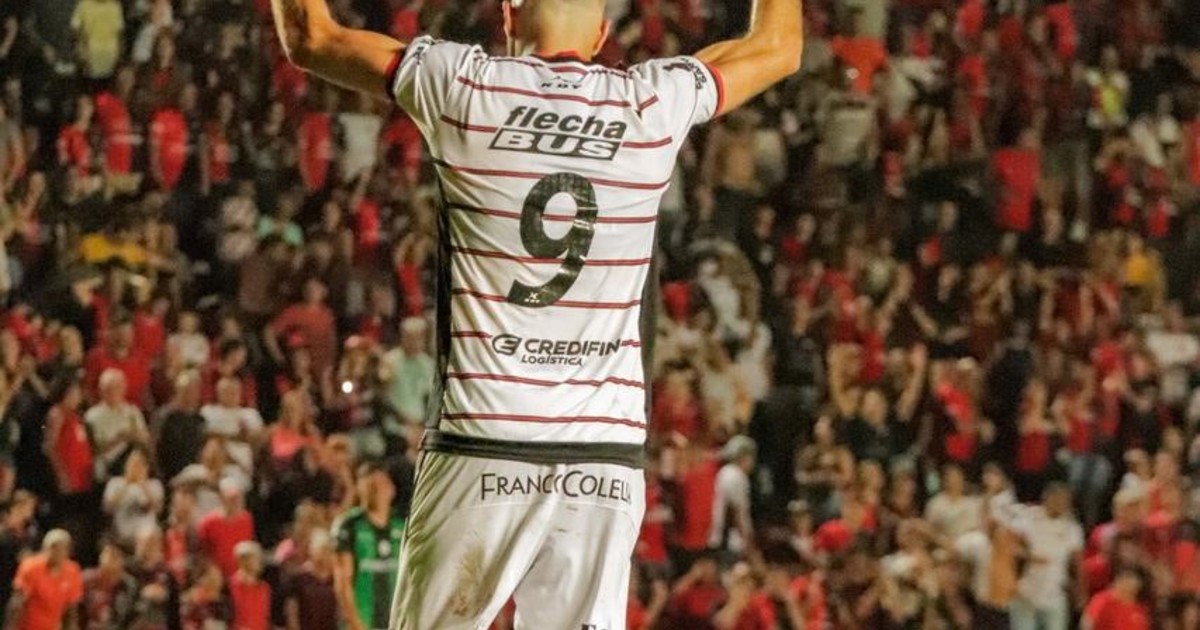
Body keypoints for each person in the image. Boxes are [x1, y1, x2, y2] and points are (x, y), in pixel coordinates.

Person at [271, 0, 803, 624]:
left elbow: (310, 36)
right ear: (602, 34)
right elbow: (778, 47)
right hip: (602, 457)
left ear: (508, 17)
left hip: (483, 439)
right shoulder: (653, 103)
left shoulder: (461, 86)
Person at [331, 462, 404, 630]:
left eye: (381, 484)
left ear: (392, 489)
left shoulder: (402, 525)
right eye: (371, 486)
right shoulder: (348, 526)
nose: (377, 491)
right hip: (360, 623)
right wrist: (356, 624)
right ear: (360, 489)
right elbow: (342, 582)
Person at [5, 529, 84, 630]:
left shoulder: (72, 571)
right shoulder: (31, 567)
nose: (57, 552)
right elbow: (17, 603)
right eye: (53, 547)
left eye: (62, 548)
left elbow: (71, 609)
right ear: (44, 548)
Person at [283, 532, 340, 630]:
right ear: (313, 551)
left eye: (329, 551)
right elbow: (292, 609)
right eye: (323, 550)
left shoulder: (336, 578)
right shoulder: (299, 577)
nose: (326, 555)